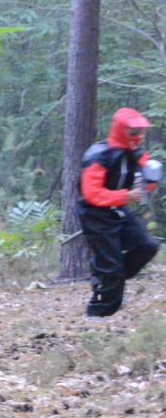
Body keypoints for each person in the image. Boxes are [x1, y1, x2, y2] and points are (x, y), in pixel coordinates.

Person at [78, 107, 160, 318]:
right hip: (95, 215)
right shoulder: (99, 155)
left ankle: (109, 277)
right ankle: (98, 314)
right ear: (121, 130)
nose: (139, 137)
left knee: (147, 246)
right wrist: (125, 196)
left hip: (119, 210)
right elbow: (91, 193)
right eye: (133, 132)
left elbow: (141, 189)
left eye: (141, 132)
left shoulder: (137, 154)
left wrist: (150, 181)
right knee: (110, 266)